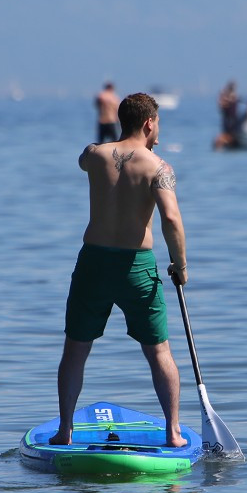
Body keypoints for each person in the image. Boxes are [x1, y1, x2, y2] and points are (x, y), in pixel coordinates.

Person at [52, 93, 188, 448]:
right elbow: (171, 219)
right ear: (148, 123)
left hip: (93, 261)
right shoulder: (159, 167)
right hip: (136, 266)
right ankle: (173, 432)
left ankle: (65, 430)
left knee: (75, 349)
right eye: (157, 123)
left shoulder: (95, 156)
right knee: (159, 351)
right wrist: (180, 264)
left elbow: (85, 156)